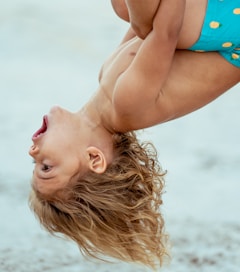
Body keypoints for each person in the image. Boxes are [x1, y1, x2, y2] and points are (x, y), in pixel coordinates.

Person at [28, 0, 240, 269]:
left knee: (127, 11)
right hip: (235, 38)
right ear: (94, 159)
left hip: (220, 34)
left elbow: (144, 28)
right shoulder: (127, 104)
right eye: (45, 167)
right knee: (144, 16)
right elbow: (165, 32)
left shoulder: (106, 79)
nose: (32, 151)